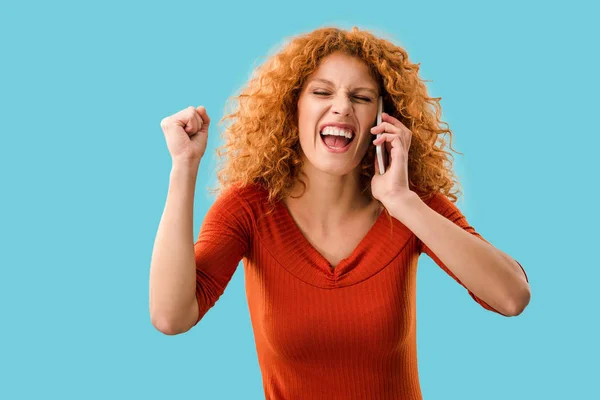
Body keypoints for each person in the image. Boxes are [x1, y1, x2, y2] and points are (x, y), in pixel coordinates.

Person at [149, 26, 531, 400]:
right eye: (322, 92)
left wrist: (401, 201)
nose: (343, 106)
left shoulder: (411, 206)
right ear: (292, 106)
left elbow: (512, 297)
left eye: (362, 98)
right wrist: (184, 166)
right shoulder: (249, 209)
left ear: (383, 120)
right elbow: (171, 316)